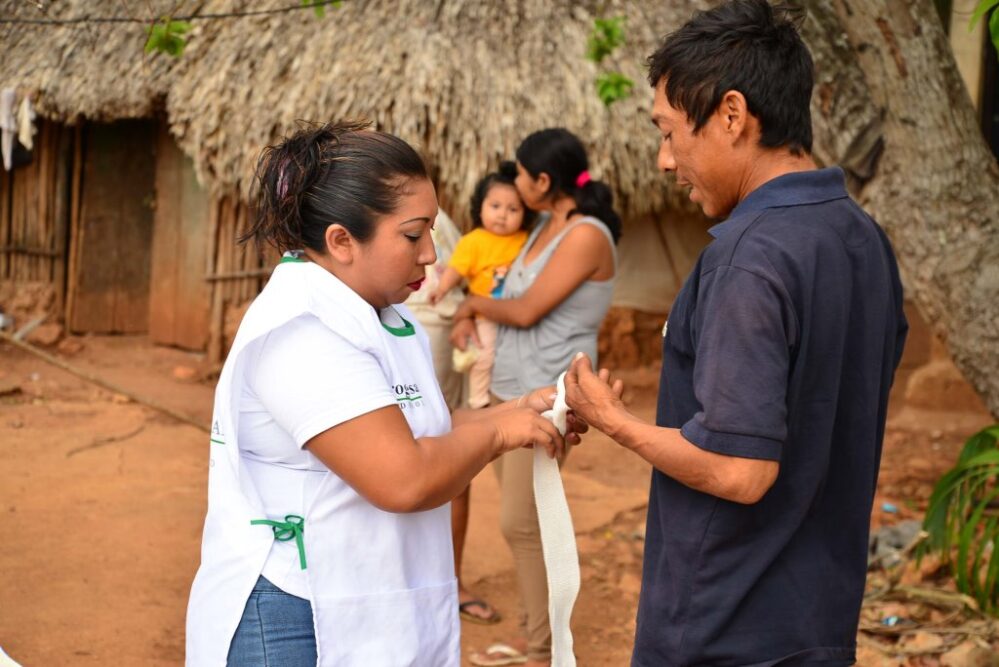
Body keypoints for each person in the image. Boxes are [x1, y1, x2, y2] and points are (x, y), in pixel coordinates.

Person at [562, 2, 908, 665]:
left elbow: (739, 469)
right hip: (818, 619)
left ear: (730, 115)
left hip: (721, 627)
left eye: (668, 133)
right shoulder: (860, 237)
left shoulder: (748, 256)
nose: (665, 161)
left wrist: (614, 421)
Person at [184, 120, 579, 667]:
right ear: (342, 240)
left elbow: (413, 427)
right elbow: (405, 476)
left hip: (349, 592)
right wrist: (496, 431)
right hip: (296, 614)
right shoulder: (302, 331)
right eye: (414, 235)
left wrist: (517, 411)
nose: (431, 255)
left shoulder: (380, 312)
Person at [453, 128, 621, 667]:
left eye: (522, 175)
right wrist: (473, 309)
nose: (516, 183)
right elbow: (508, 290)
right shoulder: (546, 226)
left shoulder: (587, 235)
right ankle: (539, 640)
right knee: (524, 521)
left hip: (551, 393)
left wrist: (467, 303)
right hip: (512, 387)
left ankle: (545, 649)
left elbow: (525, 310)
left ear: (544, 180)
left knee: (521, 522)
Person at [405, 208, 504, 625]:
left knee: (441, 447)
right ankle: (438, 583)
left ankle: (450, 582)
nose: (425, 253)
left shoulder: (425, 212)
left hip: (430, 327)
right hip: (415, 324)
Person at [430, 161, 533, 410]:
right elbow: (456, 269)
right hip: (485, 315)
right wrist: (441, 289)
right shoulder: (473, 241)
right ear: (481, 207)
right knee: (484, 357)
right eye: (495, 206)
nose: (502, 214)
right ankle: (479, 400)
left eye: (513, 209)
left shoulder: (525, 240)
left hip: (517, 313)